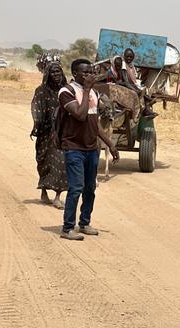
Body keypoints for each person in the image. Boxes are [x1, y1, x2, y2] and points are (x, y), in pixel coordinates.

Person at [58, 59, 120, 240]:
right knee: (76, 188)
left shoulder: (93, 92)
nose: (89, 76)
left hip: (92, 148)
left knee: (90, 188)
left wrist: (110, 143)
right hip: (74, 147)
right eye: (85, 73)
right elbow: (80, 114)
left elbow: (94, 121)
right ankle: (68, 227)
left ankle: (84, 223)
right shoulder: (66, 92)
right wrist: (85, 90)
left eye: (91, 72)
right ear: (75, 73)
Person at [30, 61, 68, 209]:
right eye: (53, 72)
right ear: (47, 74)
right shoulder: (41, 91)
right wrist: (36, 127)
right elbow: (37, 111)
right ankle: (44, 191)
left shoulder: (65, 90)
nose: (56, 74)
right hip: (45, 133)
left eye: (58, 71)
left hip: (61, 133)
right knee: (43, 162)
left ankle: (58, 197)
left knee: (60, 162)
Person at [123, 48, 157, 117]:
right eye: (127, 56)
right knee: (139, 92)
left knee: (145, 90)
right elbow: (125, 80)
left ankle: (147, 107)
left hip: (133, 84)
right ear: (124, 56)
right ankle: (146, 108)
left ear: (133, 57)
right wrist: (134, 88)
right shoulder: (124, 65)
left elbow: (135, 77)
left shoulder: (131, 65)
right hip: (127, 85)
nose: (129, 58)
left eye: (131, 57)